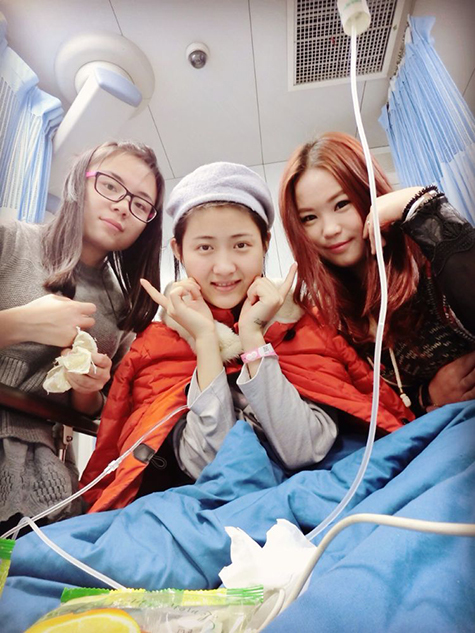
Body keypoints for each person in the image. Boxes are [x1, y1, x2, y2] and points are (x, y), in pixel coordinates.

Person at [80, 161, 412, 513]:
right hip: (205, 515)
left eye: (241, 245)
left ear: (265, 243)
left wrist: (254, 339)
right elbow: (206, 465)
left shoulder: (308, 325)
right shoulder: (155, 346)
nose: (224, 268)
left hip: (317, 504)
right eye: (205, 248)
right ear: (178, 250)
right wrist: (206, 342)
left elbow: (303, 450)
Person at [0, 140, 164, 532]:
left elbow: (98, 409)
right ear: (79, 181)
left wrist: (87, 389)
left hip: (46, 472)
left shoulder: (123, 310)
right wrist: (20, 324)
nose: (122, 206)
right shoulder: (10, 240)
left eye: (140, 204)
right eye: (110, 186)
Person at [279, 131, 475, 417]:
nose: (329, 229)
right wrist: (427, 396)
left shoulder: (431, 260)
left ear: (368, 194)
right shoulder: (334, 318)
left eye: (341, 204)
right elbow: (373, 407)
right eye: (309, 218)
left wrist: (416, 204)